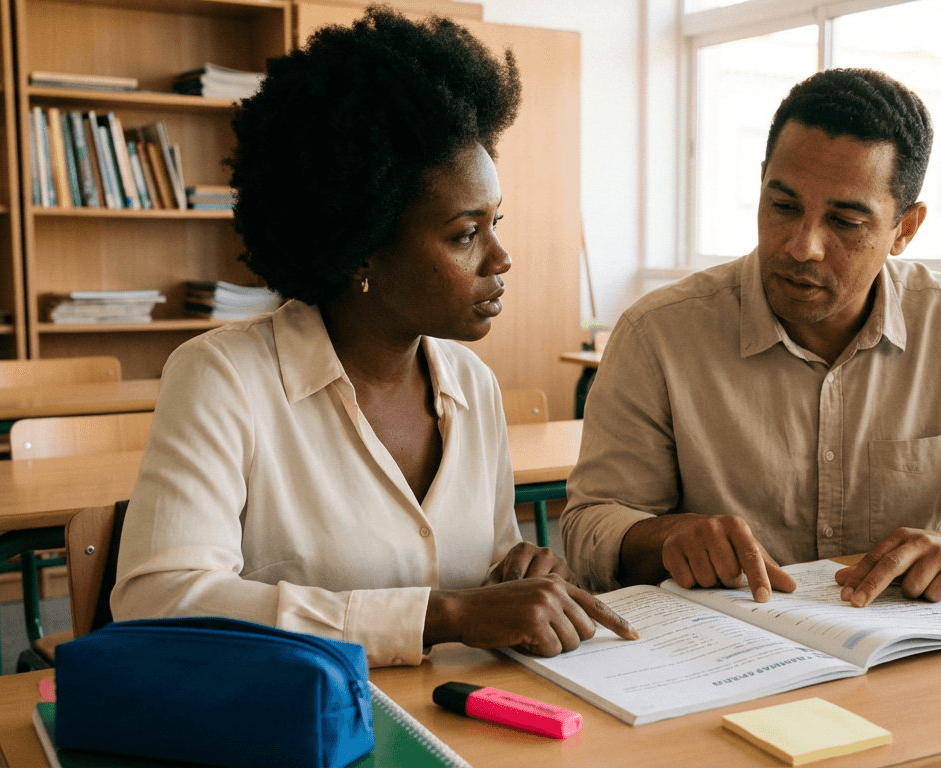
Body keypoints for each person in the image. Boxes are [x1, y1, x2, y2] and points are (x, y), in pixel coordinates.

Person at [112, 8, 636, 667]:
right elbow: (159, 600)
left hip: (460, 721)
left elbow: (485, 565)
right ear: (360, 252)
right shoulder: (225, 378)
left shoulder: (472, 385)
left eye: (496, 221)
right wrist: (440, 614)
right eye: (465, 234)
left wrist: (518, 572)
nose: (501, 258)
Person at [561, 68, 941, 607]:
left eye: (846, 222)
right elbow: (591, 524)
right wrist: (665, 538)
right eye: (782, 206)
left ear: (905, 228)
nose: (802, 245)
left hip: (895, 652)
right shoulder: (658, 334)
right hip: (722, 652)